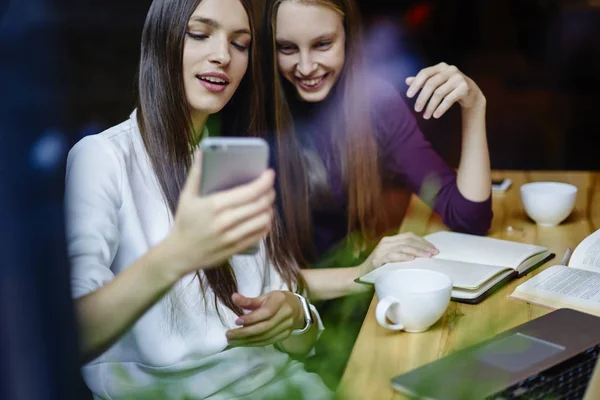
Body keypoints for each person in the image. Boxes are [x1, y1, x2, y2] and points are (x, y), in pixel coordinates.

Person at [64, 0, 332, 398]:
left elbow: (300, 347)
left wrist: (295, 314)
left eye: (240, 44)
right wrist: (177, 254)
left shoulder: (233, 162)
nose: (223, 56)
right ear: (162, 41)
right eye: (200, 34)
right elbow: (72, 335)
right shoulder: (103, 157)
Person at [261, 0, 493, 388]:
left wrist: (475, 106)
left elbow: (469, 215)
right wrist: (362, 272)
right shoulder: (252, 118)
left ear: (349, 38)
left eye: (322, 44)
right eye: (287, 48)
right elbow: (251, 283)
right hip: (288, 340)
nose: (305, 66)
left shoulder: (375, 102)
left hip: (364, 314)